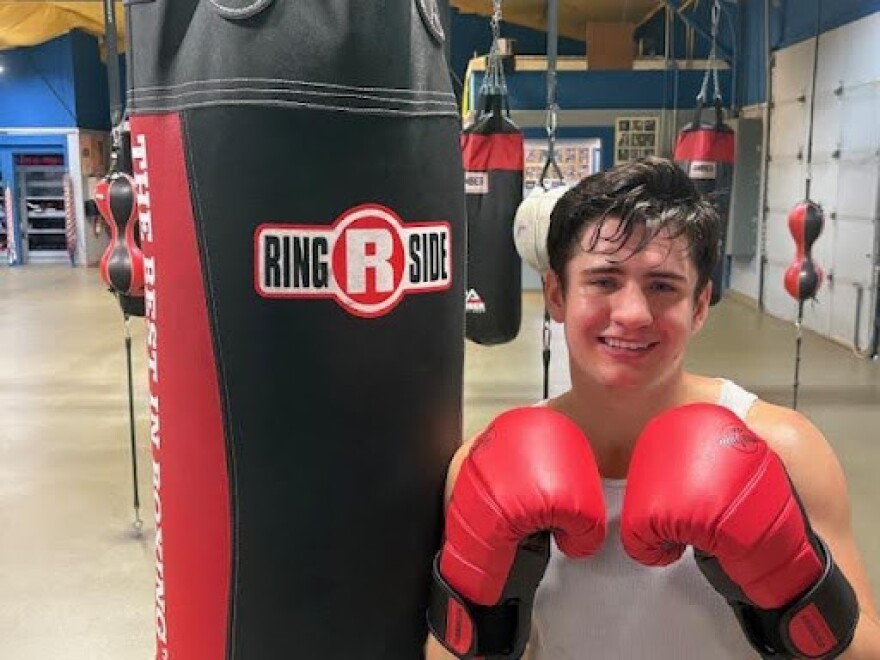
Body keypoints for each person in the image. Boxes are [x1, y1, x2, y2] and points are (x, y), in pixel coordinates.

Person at [426, 157, 880, 659]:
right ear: (557, 294)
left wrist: (791, 584)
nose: (633, 314)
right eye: (603, 281)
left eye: (663, 286)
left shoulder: (785, 449)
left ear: (700, 305)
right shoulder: (484, 467)